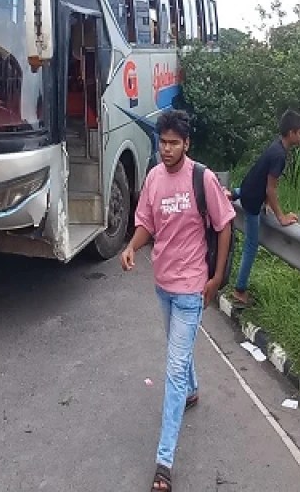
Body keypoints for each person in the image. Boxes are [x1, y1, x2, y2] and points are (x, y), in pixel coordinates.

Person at [118, 110, 235, 492]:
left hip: (191, 287)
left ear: (186, 144)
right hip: (163, 283)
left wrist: (216, 278)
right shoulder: (153, 178)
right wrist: (132, 248)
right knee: (178, 352)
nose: (166, 149)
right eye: (162, 142)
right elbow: (147, 223)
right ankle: (193, 389)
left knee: (171, 368)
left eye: (173, 143)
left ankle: (164, 462)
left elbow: (224, 225)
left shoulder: (203, 179)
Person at [231, 111, 300, 307]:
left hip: (247, 190)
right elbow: (270, 188)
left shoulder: (276, 146)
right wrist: (281, 217)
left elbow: (259, 174)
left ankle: (231, 193)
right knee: (251, 246)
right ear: (291, 133)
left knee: (242, 192)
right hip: (252, 201)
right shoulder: (279, 155)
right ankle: (239, 290)